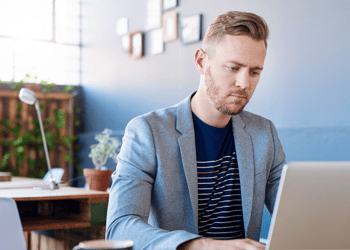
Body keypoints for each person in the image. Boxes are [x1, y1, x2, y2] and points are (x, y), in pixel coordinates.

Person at [106, 11, 286, 250]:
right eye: (233, 68)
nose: (244, 83)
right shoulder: (148, 132)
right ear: (201, 61)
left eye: (254, 72)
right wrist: (201, 246)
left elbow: (296, 215)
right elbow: (120, 227)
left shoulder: (264, 133)